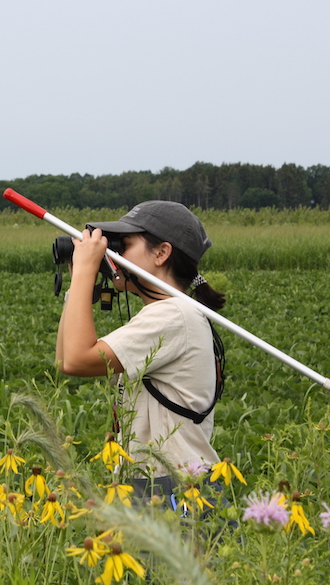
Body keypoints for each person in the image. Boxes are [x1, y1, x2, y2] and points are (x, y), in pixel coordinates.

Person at [55, 201, 226, 505]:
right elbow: (65, 358)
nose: (114, 255)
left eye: (125, 245)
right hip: (159, 481)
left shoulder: (172, 315)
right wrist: (77, 282)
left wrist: (84, 272)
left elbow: (78, 359)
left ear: (162, 253)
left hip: (173, 487)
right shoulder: (170, 313)